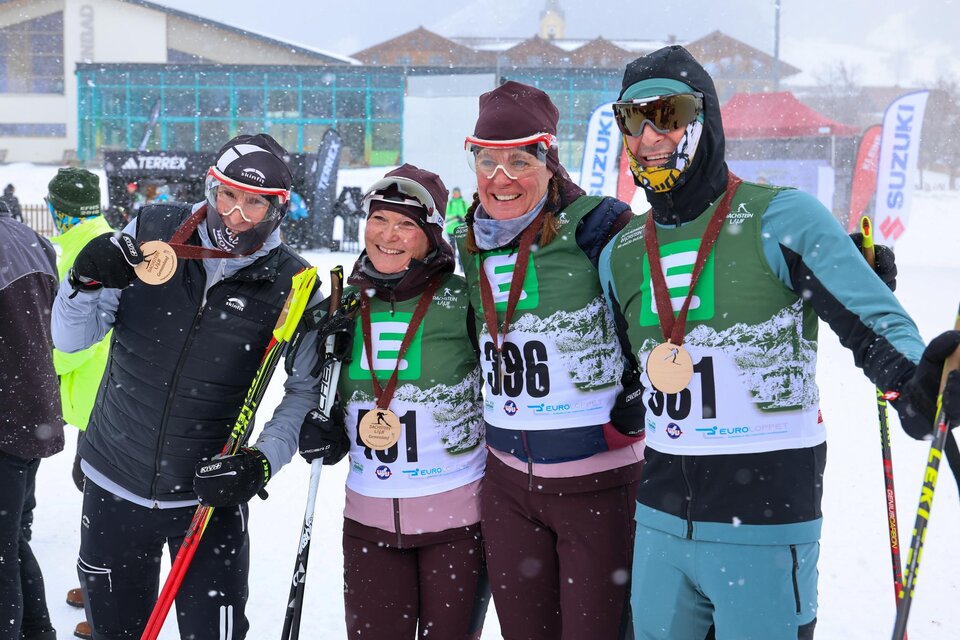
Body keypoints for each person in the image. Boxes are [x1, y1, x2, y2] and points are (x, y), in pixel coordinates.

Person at [599, 45, 960, 640]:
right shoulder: (623, 252)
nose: (647, 136)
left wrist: (918, 382)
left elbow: (875, 326)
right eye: (631, 119)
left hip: (764, 520)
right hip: (660, 520)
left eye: (667, 114)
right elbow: (630, 376)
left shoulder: (783, 216)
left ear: (705, 119)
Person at [51, 133, 325, 640]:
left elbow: (304, 391)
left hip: (208, 500)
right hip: (114, 482)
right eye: (225, 195)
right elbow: (72, 339)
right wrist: (82, 282)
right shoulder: (154, 230)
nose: (234, 215)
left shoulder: (294, 282)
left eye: (254, 204)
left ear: (279, 209)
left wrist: (262, 460)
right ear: (209, 187)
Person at [455, 81, 645, 640]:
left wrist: (638, 392)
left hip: (598, 482)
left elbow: (678, 293)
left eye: (519, 160)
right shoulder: (471, 242)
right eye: (487, 160)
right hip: (509, 489)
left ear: (548, 158)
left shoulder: (598, 226)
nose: (501, 177)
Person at [298, 164, 489, 638]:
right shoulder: (339, 306)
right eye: (379, 219)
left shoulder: (464, 300)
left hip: (458, 522)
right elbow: (313, 393)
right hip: (368, 523)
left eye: (407, 224)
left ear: (431, 235)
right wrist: (323, 428)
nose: (389, 235)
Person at [46, 167, 113, 640]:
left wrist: (43, 368)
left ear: (58, 209)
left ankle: (105, 603)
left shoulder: (85, 252)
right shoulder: (95, 241)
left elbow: (78, 340)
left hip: (102, 400)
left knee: (105, 503)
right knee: (98, 496)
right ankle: (94, 585)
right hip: (105, 396)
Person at [0, 200, 62, 640]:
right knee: (11, 545)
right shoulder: (29, 238)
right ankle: (38, 632)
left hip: (7, 419)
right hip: (30, 413)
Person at [445, 186, 468, 264]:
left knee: (462, 248)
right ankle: (452, 264)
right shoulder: (450, 203)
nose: (456, 194)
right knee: (452, 248)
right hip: (451, 229)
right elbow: (446, 214)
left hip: (461, 229)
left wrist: (462, 218)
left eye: (457, 193)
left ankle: (462, 266)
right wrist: (455, 216)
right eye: (454, 193)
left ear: (460, 193)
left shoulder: (463, 203)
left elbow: (468, 214)